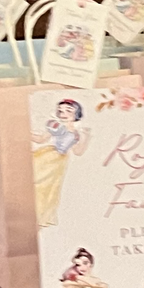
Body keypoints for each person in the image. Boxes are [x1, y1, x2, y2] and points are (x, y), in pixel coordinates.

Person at [32, 97, 87, 227]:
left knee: (51, 187)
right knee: (37, 181)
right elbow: (41, 139)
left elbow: (78, 151)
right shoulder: (57, 127)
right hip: (48, 156)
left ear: (76, 114)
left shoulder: (77, 134)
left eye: (68, 111)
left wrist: (85, 139)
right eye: (61, 111)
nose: (63, 114)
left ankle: (42, 216)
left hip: (60, 161)